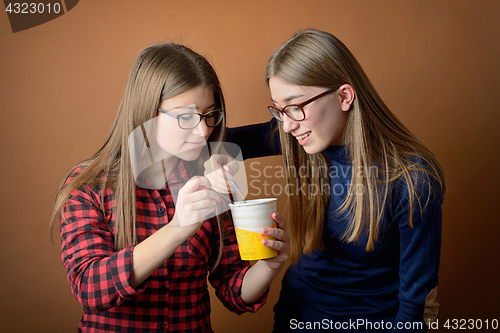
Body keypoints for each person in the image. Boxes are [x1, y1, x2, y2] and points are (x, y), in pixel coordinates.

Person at [209, 30, 444, 332]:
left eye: (295, 106)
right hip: (296, 315)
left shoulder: (413, 179)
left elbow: (416, 305)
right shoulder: (300, 138)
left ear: (344, 96)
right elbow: (212, 141)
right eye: (280, 111)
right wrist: (216, 156)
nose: (288, 125)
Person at [49, 42, 289, 332]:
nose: (202, 131)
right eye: (185, 117)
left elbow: (232, 290)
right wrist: (178, 227)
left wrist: (267, 267)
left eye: (210, 114)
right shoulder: (91, 187)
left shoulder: (212, 177)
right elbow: (90, 289)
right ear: (147, 112)